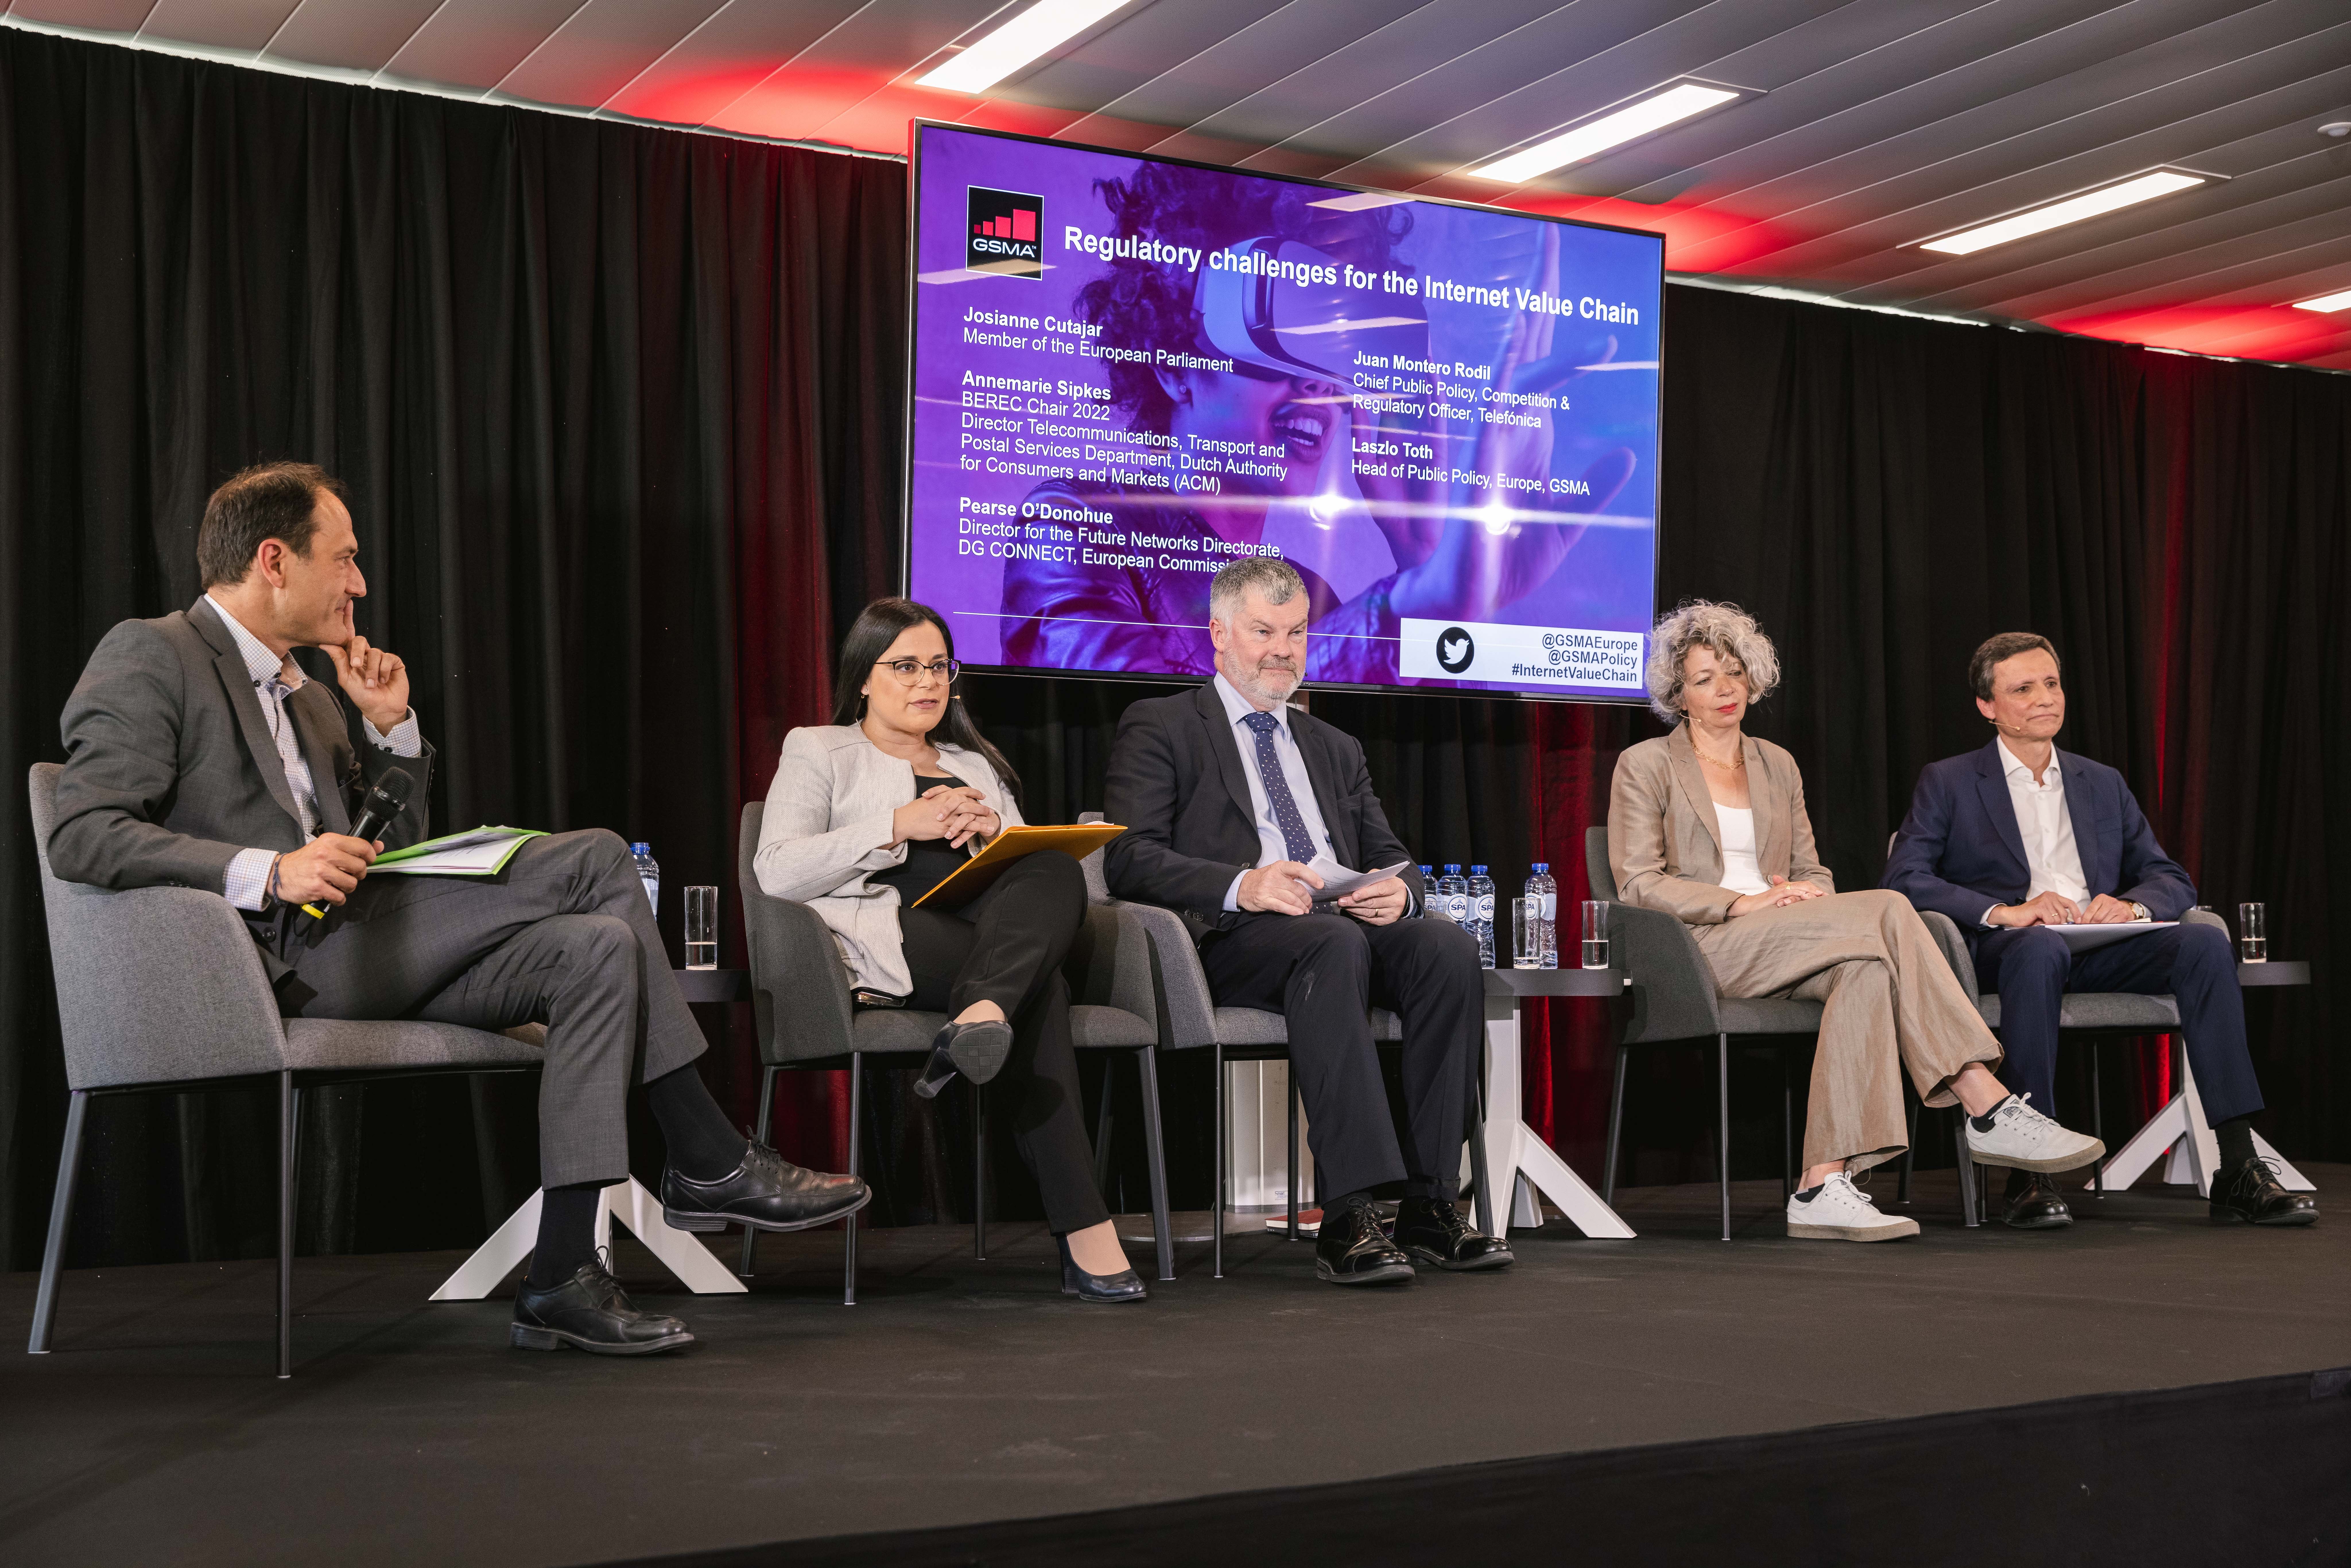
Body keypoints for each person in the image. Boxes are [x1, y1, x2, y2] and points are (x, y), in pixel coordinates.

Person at [49, 462, 868, 1357]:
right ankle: (707, 1153)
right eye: (344, 559)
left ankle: (563, 1277)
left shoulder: (315, 700)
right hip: (267, 961)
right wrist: (268, 871)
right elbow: (83, 833)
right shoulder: (155, 653)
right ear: (275, 560)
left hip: (360, 944)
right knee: (599, 857)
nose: (361, 583)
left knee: (597, 948)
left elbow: (392, 853)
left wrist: (390, 729)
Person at [998, 160, 1632, 687]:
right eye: (1285, 327)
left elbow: (1393, 767)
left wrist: (1425, 559)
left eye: (1341, 343)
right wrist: (1413, 602)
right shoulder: (1073, 527)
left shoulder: (1310, 597)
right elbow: (1146, 731)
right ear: (1174, 365)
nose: (1320, 383)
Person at [1609, 602, 2105, 1241]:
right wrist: (1741, 903)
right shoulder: (1646, 764)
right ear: (1678, 694)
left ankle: (1821, 1185)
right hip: (1704, 947)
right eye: (1705, 678)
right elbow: (1640, 883)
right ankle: (1983, 1098)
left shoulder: (1777, 763)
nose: (1726, 688)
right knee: (1891, 906)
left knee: (1867, 971)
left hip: (1789, 937)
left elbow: (1812, 871)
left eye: (1735, 671)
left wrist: (1804, 896)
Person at [1102, 556, 1512, 1285]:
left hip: (1339, 929)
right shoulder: (1162, 724)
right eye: (1264, 631)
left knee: (1444, 947)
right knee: (1331, 940)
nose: (1282, 650)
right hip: (1231, 939)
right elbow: (1129, 857)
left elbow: (1391, 857)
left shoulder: (1334, 745)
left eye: (1296, 633)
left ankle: (1429, 1202)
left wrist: (1401, 895)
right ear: (1218, 634)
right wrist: (1245, 884)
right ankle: (1349, 1212)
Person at [752, 599, 1145, 1303]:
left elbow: (1025, 884)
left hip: (986, 938)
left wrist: (994, 832)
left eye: (939, 666)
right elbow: (776, 869)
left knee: (1054, 869)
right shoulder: (819, 748)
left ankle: (981, 1012)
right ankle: (1087, 1230)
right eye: (905, 666)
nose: (928, 681)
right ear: (864, 677)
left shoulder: (973, 762)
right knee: (1041, 989)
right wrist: (898, 823)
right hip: (889, 934)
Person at [1882, 632, 2318, 1229]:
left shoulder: (2101, 781)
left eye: (2052, 683)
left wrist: (2132, 907)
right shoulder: (1950, 780)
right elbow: (1904, 877)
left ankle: (2238, 1165)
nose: (2045, 698)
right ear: (1987, 706)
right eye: (2023, 688)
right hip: (2009, 950)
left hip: (2099, 948)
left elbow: (2168, 876)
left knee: (2203, 941)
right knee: (2037, 948)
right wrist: (2006, 911)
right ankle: (2029, 1172)